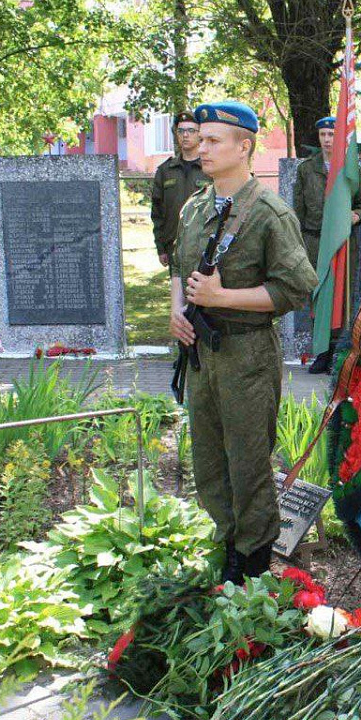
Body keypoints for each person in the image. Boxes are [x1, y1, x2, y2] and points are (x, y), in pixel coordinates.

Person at [170, 101, 318, 584]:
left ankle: (251, 564)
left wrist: (222, 297)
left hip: (247, 355)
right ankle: (227, 541)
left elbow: (297, 288)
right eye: (199, 138)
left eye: (213, 140)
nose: (201, 147)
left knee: (249, 462)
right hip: (201, 353)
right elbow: (179, 267)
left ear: (244, 147)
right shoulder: (194, 208)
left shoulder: (270, 214)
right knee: (209, 460)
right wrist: (177, 310)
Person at [293, 115, 361, 374]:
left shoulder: (351, 169)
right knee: (317, 295)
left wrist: (356, 215)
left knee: (341, 296)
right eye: (323, 135)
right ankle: (322, 352)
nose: (327, 140)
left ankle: (339, 351)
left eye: (332, 135)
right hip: (314, 241)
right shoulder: (306, 169)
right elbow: (298, 209)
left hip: (342, 241)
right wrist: (298, 243)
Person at [150, 111, 211, 268]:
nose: (185, 135)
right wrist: (161, 248)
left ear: (200, 134)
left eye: (191, 130)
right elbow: (157, 212)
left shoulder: (210, 168)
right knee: (177, 284)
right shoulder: (165, 171)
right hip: (174, 247)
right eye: (181, 130)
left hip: (203, 247)